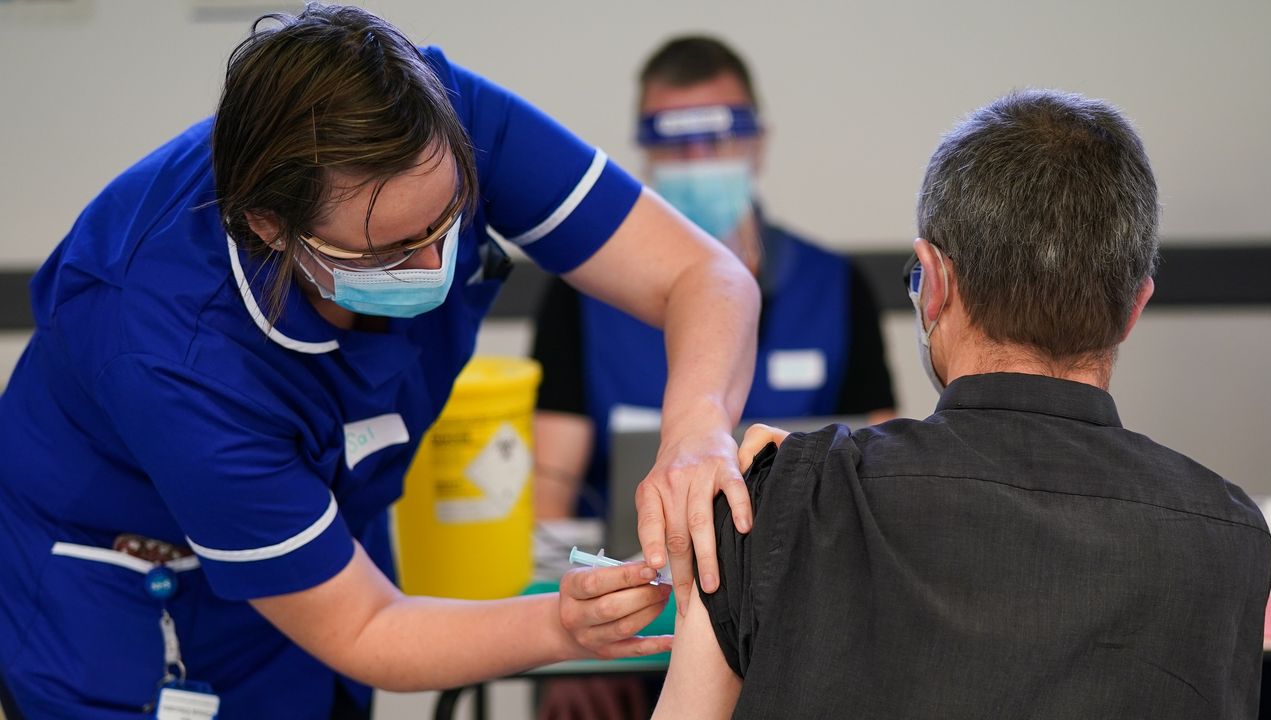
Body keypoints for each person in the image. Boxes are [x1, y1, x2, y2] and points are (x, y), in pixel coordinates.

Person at [0, 5, 761, 718]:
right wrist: (561, 625)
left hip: (327, 542)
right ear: (270, 228)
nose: (436, 263)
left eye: (449, 219)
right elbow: (366, 627)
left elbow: (706, 276)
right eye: (393, 251)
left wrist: (697, 429)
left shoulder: (432, 111)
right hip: (131, 606)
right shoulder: (173, 355)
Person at [653, 89, 1271, 718]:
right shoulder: (1231, 539)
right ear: (1135, 307)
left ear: (934, 283)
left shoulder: (780, 503)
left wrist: (794, 485)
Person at [531, 35, 895, 527]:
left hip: (804, 575)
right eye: (676, 144)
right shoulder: (581, 293)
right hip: (642, 569)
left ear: (757, 143)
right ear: (647, 156)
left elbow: (881, 481)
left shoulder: (835, 287)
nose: (699, 162)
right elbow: (547, 500)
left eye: (716, 140)